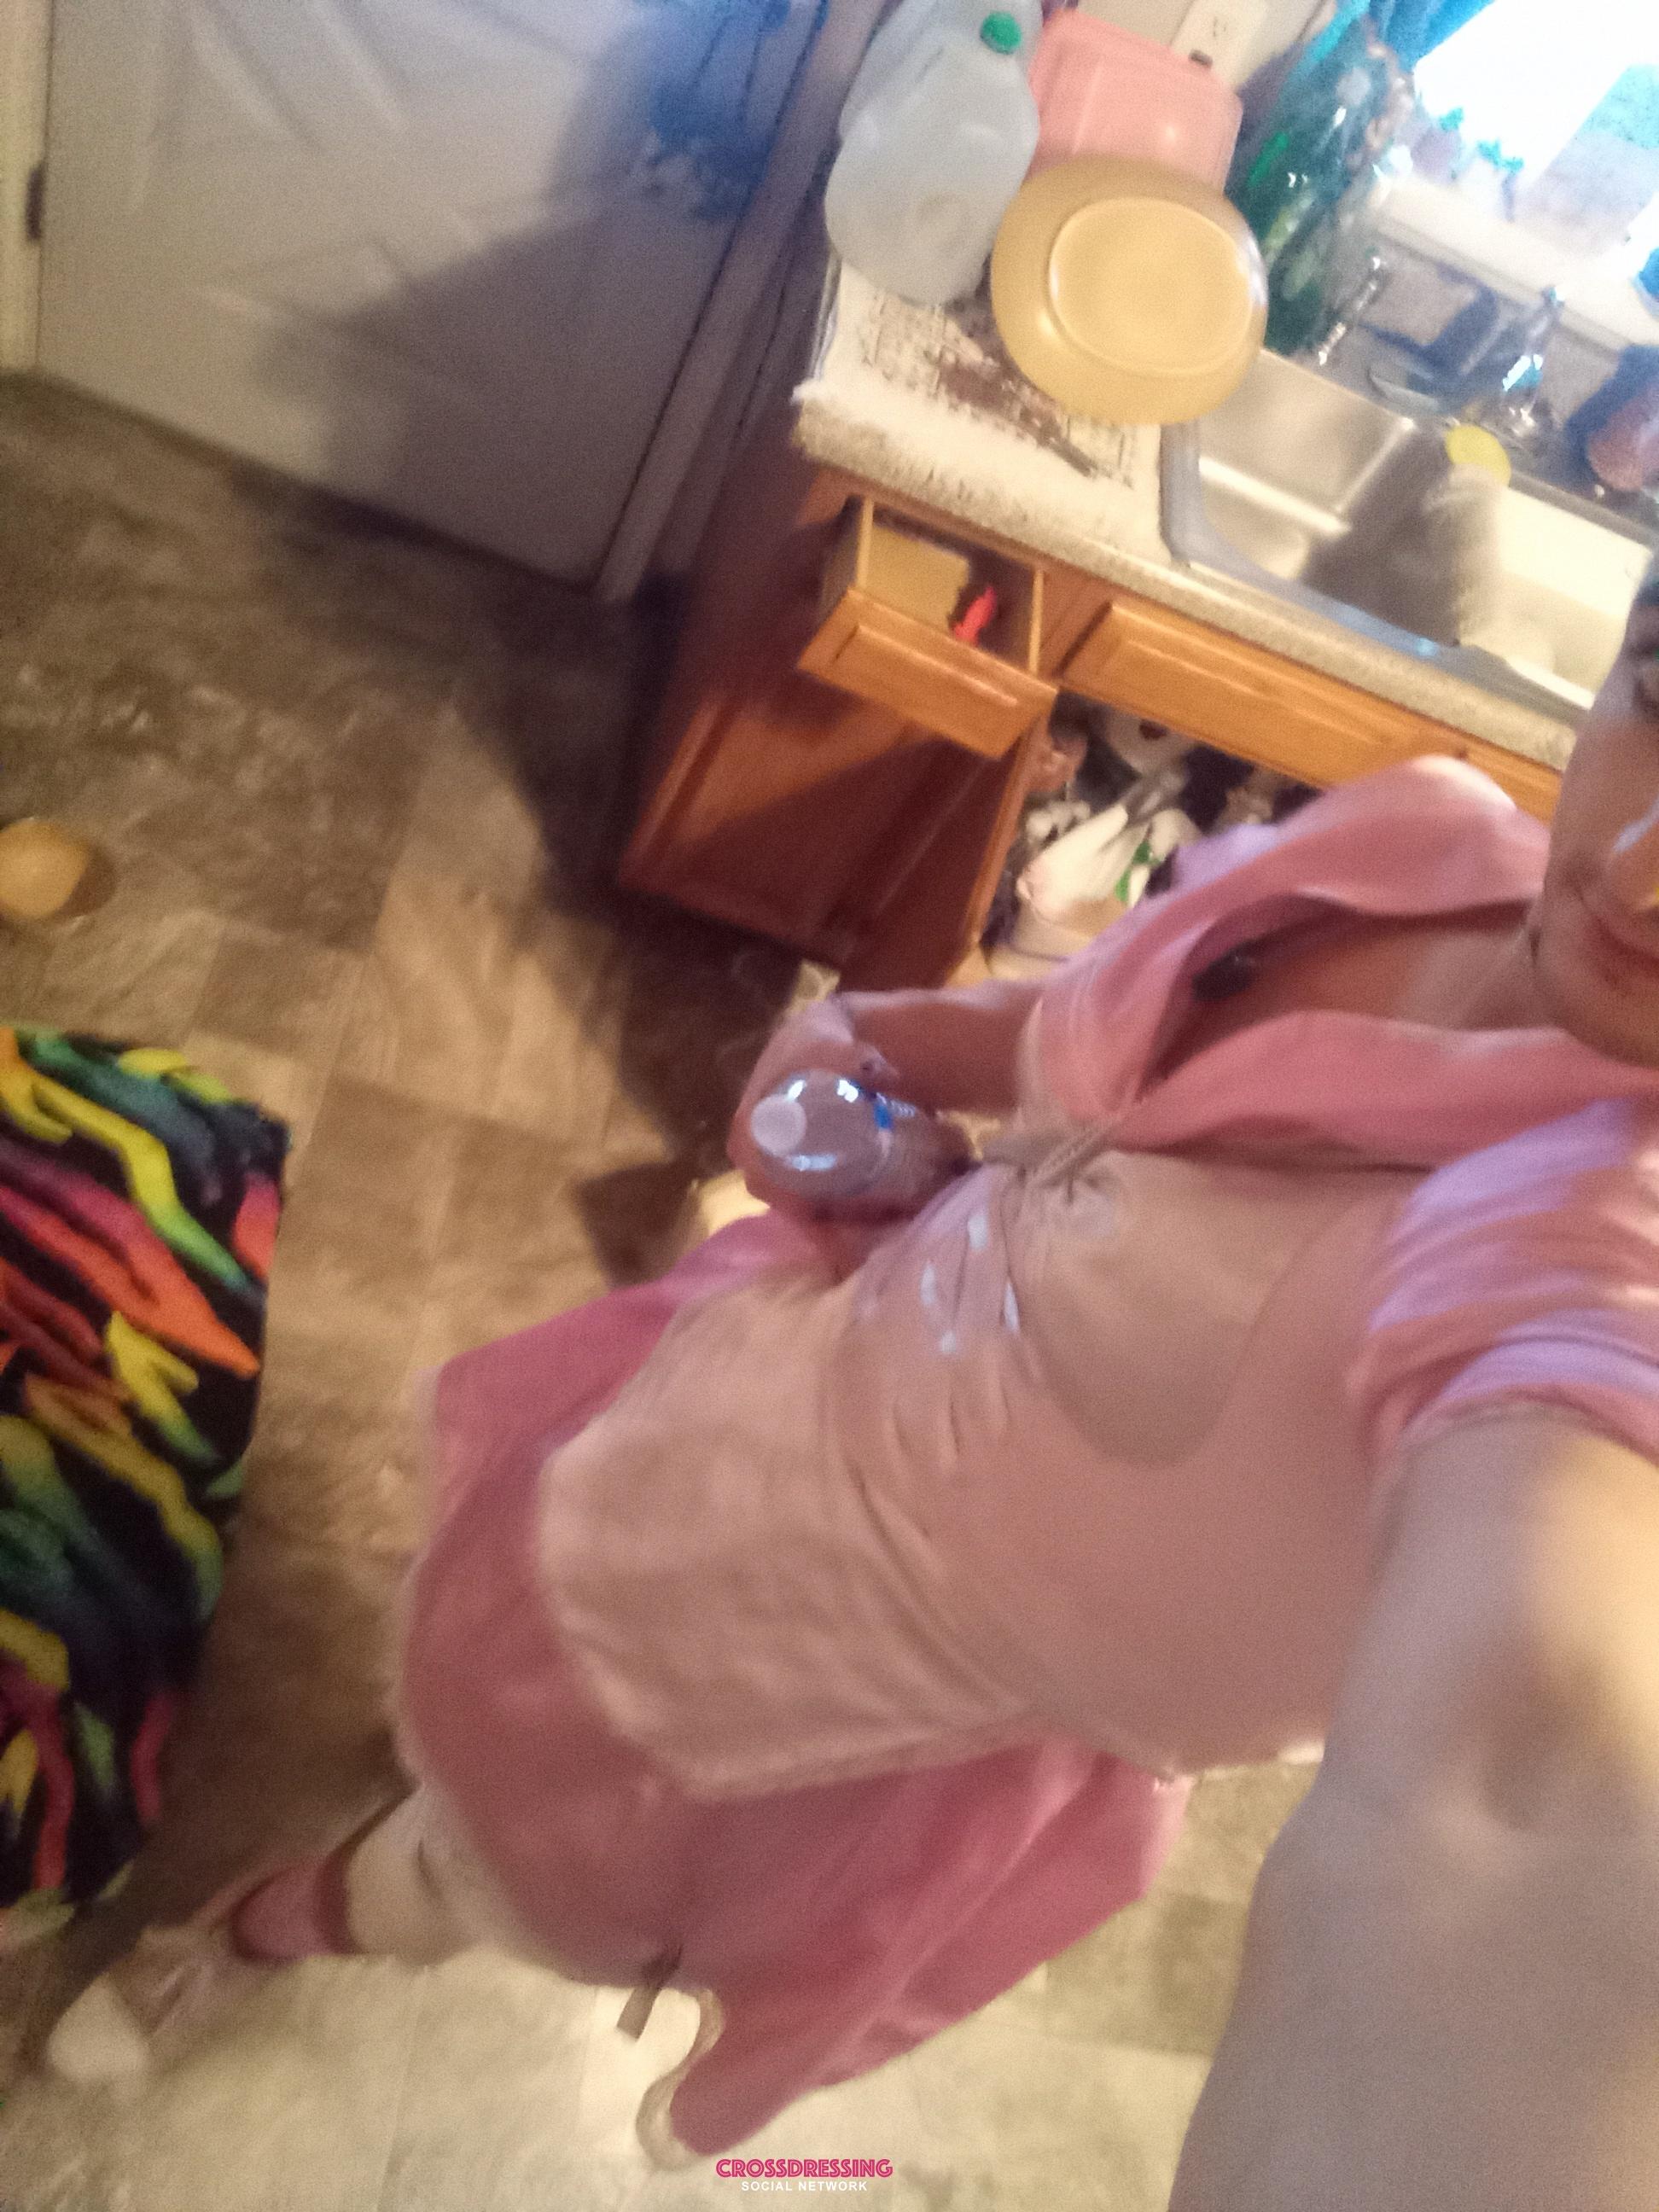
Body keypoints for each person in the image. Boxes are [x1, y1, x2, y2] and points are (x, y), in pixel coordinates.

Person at [49, 570, 1659, 2204]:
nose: (1644, 870)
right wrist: (853, 1084)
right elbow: (1031, 1036)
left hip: (845, 1701)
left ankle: (273, 1925)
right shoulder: (1423, 847)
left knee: (493, 1870)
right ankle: (409, 1823)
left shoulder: (1593, 1251)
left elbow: (1542, 1743)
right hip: (759, 1418)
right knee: (487, 1678)